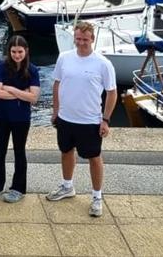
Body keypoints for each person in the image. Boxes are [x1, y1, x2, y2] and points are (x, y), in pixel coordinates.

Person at [47, 21, 117, 218]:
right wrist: (56, 110)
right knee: (66, 151)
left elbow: (112, 93)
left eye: (85, 39)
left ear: (92, 39)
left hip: (90, 120)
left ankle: (97, 197)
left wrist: (106, 120)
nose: (81, 43)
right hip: (65, 118)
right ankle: (67, 186)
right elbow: (57, 84)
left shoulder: (103, 63)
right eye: (77, 39)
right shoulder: (64, 58)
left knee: (94, 157)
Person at [0, 36, 41, 203]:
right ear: (9, 51)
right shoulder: (0, 66)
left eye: (20, 52)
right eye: (13, 51)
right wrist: (22, 94)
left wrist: (10, 89)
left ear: (26, 51)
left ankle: (18, 188)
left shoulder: (32, 70)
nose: (17, 55)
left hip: (21, 118)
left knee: (19, 152)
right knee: (0, 151)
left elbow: (34, 98)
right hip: (2, 116)